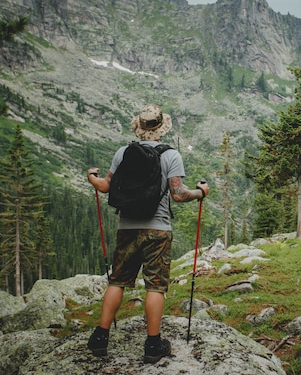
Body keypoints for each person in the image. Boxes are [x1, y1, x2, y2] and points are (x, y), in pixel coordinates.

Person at [85, 104, 209, 363]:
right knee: (155, 286)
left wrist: (92, 178)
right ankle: (153, 344)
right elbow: (178, 194)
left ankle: (100, 337)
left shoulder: (122, 153)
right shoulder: (171, 155)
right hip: (158, 229)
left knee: (117, 281)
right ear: (162, 127)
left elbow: (105, 186)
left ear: (139, 127)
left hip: (127, 228)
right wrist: (201, 192)